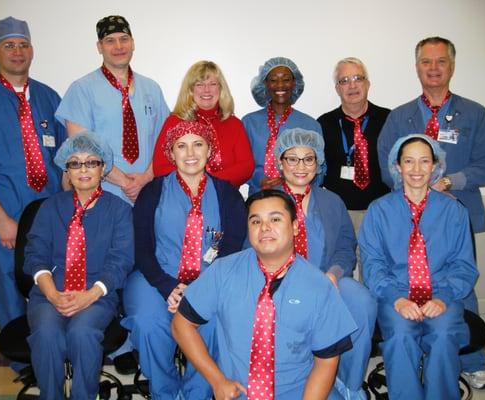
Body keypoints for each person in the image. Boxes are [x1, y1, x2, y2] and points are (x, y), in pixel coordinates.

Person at [377, 36, 485, 389]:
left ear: (452, 65)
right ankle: (409, 362)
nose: (433, 68)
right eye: (426, 62)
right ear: (417, 67)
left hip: (454, 211)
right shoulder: (401, 116)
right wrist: (411, 188)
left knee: (458, 290)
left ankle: (472, 360)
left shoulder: (474, 114)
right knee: (408, 283)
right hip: (409, 212)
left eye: (441, 61)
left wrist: (447, 182)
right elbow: (388, 165)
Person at [172, 189, 357, 400]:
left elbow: (327, 361)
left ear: (295, 227)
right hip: (238, 394)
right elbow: (181, 324)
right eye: (255, 222)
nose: (265, 228)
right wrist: (217, 380)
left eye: (275, 219)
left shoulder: (319, 287)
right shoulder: (223, 271)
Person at [122, 120, 247, 399]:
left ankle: (197, 393)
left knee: (214, 323)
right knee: (147, 322)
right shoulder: (152, 191)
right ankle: (164, 392)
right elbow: (141, 247)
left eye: (198, 144)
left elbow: (231, 248)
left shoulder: (228, 194)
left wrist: (200, 288)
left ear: (209, 150)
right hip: (155, 277)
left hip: (211, 279)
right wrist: (167, 286)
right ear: (171, 152)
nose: (190, 152)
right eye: (181, 146)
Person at [360, 134, 478, 399]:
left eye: (424, 161)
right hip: (396, 294)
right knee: (400, 335)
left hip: (442, 293)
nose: (416, 169)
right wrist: (396, 299)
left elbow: (464, 265)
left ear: (435, 166)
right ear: (397, 166)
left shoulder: (454, 211)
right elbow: (372, 264)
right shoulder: (379, 210)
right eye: (409, 161)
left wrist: (443, 298)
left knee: (444, 332)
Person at [24, 132, 134, 399]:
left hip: (97, 294)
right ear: (67, 170)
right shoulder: (50, 208)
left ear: (103, 168)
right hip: (50, 292)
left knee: (83, 333)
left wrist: (89, 296)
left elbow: (121, 260)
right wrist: (52, 295)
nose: (83, 169)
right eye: (75, 163)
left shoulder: (119, 210)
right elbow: (35, 254)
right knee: (47, 334)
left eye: (91, 162)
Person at [0, 16, 66, 331]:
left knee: (53, 286)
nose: (17, 52)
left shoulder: (49, 97)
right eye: (9, 45)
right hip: (4, 214)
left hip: (49, 214)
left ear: (32, 50)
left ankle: (52, 354)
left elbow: (65, 161)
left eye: (23, 45)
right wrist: (0, 219)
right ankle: (20, 364)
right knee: (9, 288)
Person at [274, 127, 376, 399]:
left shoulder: (332, 201)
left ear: (318, 163)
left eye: (308, 158)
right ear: (280, 162)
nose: (300, 166)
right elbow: (252, 249)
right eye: (292, 158)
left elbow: (345, 245)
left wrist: (333, 274)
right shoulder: (264, 201)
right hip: (280, 283)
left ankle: (349, 383)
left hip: (326, 279)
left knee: (361, 300)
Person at [56, 15, 169, 204]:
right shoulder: (82, 89)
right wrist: (126, 183)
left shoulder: (151, 89)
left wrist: (146, 178)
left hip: (147, 194)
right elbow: (82, 148)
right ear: (99, 47)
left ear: (133, 43)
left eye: (124, 39)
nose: (118, 46)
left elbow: (166, 141)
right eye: (110, 41)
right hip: (100, 198)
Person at [152, 60, 254, 187]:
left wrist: (209, 183)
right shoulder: (174, 122)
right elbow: (160, 168)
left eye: (213, 84)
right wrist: (193, 184)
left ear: (220, 88)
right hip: (181, 197)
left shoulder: (234, 124)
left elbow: (246, 166)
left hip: (224, 195)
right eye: (199, 85)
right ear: (190, 90)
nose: (207, 90)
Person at [318, 57, 390, 233]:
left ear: (368, 84)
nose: (352, 86)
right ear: (337, 89)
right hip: (338, 212)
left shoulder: (389, 119)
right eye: (344, 81)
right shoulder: (323, 124)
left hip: (381, 209)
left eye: (358, 78)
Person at [243, 57, 324, 195]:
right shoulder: (249, 123)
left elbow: (320, 169)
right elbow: (242, 164)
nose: (280, 85)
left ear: (294, 83)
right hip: (258, 197)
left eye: (286, 79)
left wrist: (295, 180)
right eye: (273, 80)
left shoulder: (310, 125)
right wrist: (258, 180)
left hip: (297, 200)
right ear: (265, 84)